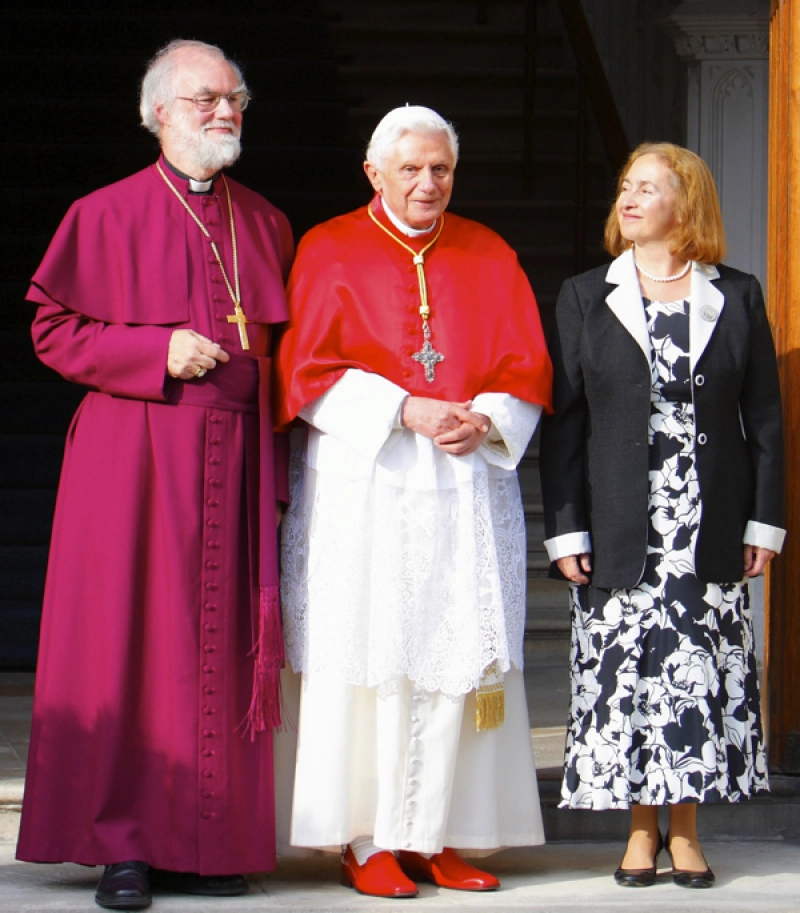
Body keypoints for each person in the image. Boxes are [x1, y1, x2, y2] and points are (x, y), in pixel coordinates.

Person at [16, 39, 293, 910]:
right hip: (133, 459)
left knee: (215, 647)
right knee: (134, 646)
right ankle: (126, 845)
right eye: (208, 98)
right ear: (161, 112)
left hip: (235, 457)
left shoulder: (267, 222)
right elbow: (52, 330)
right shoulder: (103, 214)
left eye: (236, 99)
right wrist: (155, 347)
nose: (226, 112)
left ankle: (209, 840)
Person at [275, 105, 552, 898]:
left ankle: (443, 834)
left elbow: (526, 367)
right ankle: (366, 838)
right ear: (374, 173)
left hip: (464, 488)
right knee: (372, 654)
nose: (429, 183)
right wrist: (404, 409)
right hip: (371, 488)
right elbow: (305, 373)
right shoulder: (328, 248)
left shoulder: (487, 250)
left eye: (441, 169)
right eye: (412, 169)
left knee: (458, 654)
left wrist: (489, 418)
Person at [539, 143, 784, 889]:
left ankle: (687, 831)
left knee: (695, 675)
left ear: (687, 203)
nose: (629, 198)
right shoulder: (587, 294)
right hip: (619, 520)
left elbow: (765, 420)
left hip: (707, 519)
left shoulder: (736, 294)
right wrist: (566, 528)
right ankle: (638, 829)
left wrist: (763, 525)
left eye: (647, 187)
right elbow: (566, 424)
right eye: (625, 187)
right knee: (626, 676)